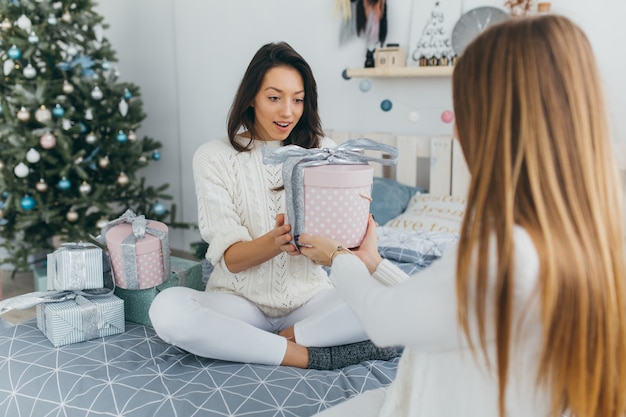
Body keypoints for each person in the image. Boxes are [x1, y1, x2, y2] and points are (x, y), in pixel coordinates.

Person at [299, 15, 626, 417]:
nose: (456, 131)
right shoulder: (585, 236)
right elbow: (453, 307)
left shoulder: (504, 255)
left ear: (493, 122)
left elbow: (386, 322)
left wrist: (338, 258)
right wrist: (375, 263)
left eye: (462, 110)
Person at [149, 41, 398, 369]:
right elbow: (232, 261)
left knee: (394, 304)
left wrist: (355, 241)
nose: (287, 112)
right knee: (167, 309)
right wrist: (276, 242)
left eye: (297, 100)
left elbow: (343, 246)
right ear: (251, 96)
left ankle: (277, 341)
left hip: (311, 300)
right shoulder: (214, 157)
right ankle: (305, 355)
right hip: (238, 303)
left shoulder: (324, 151)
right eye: (274, 97)